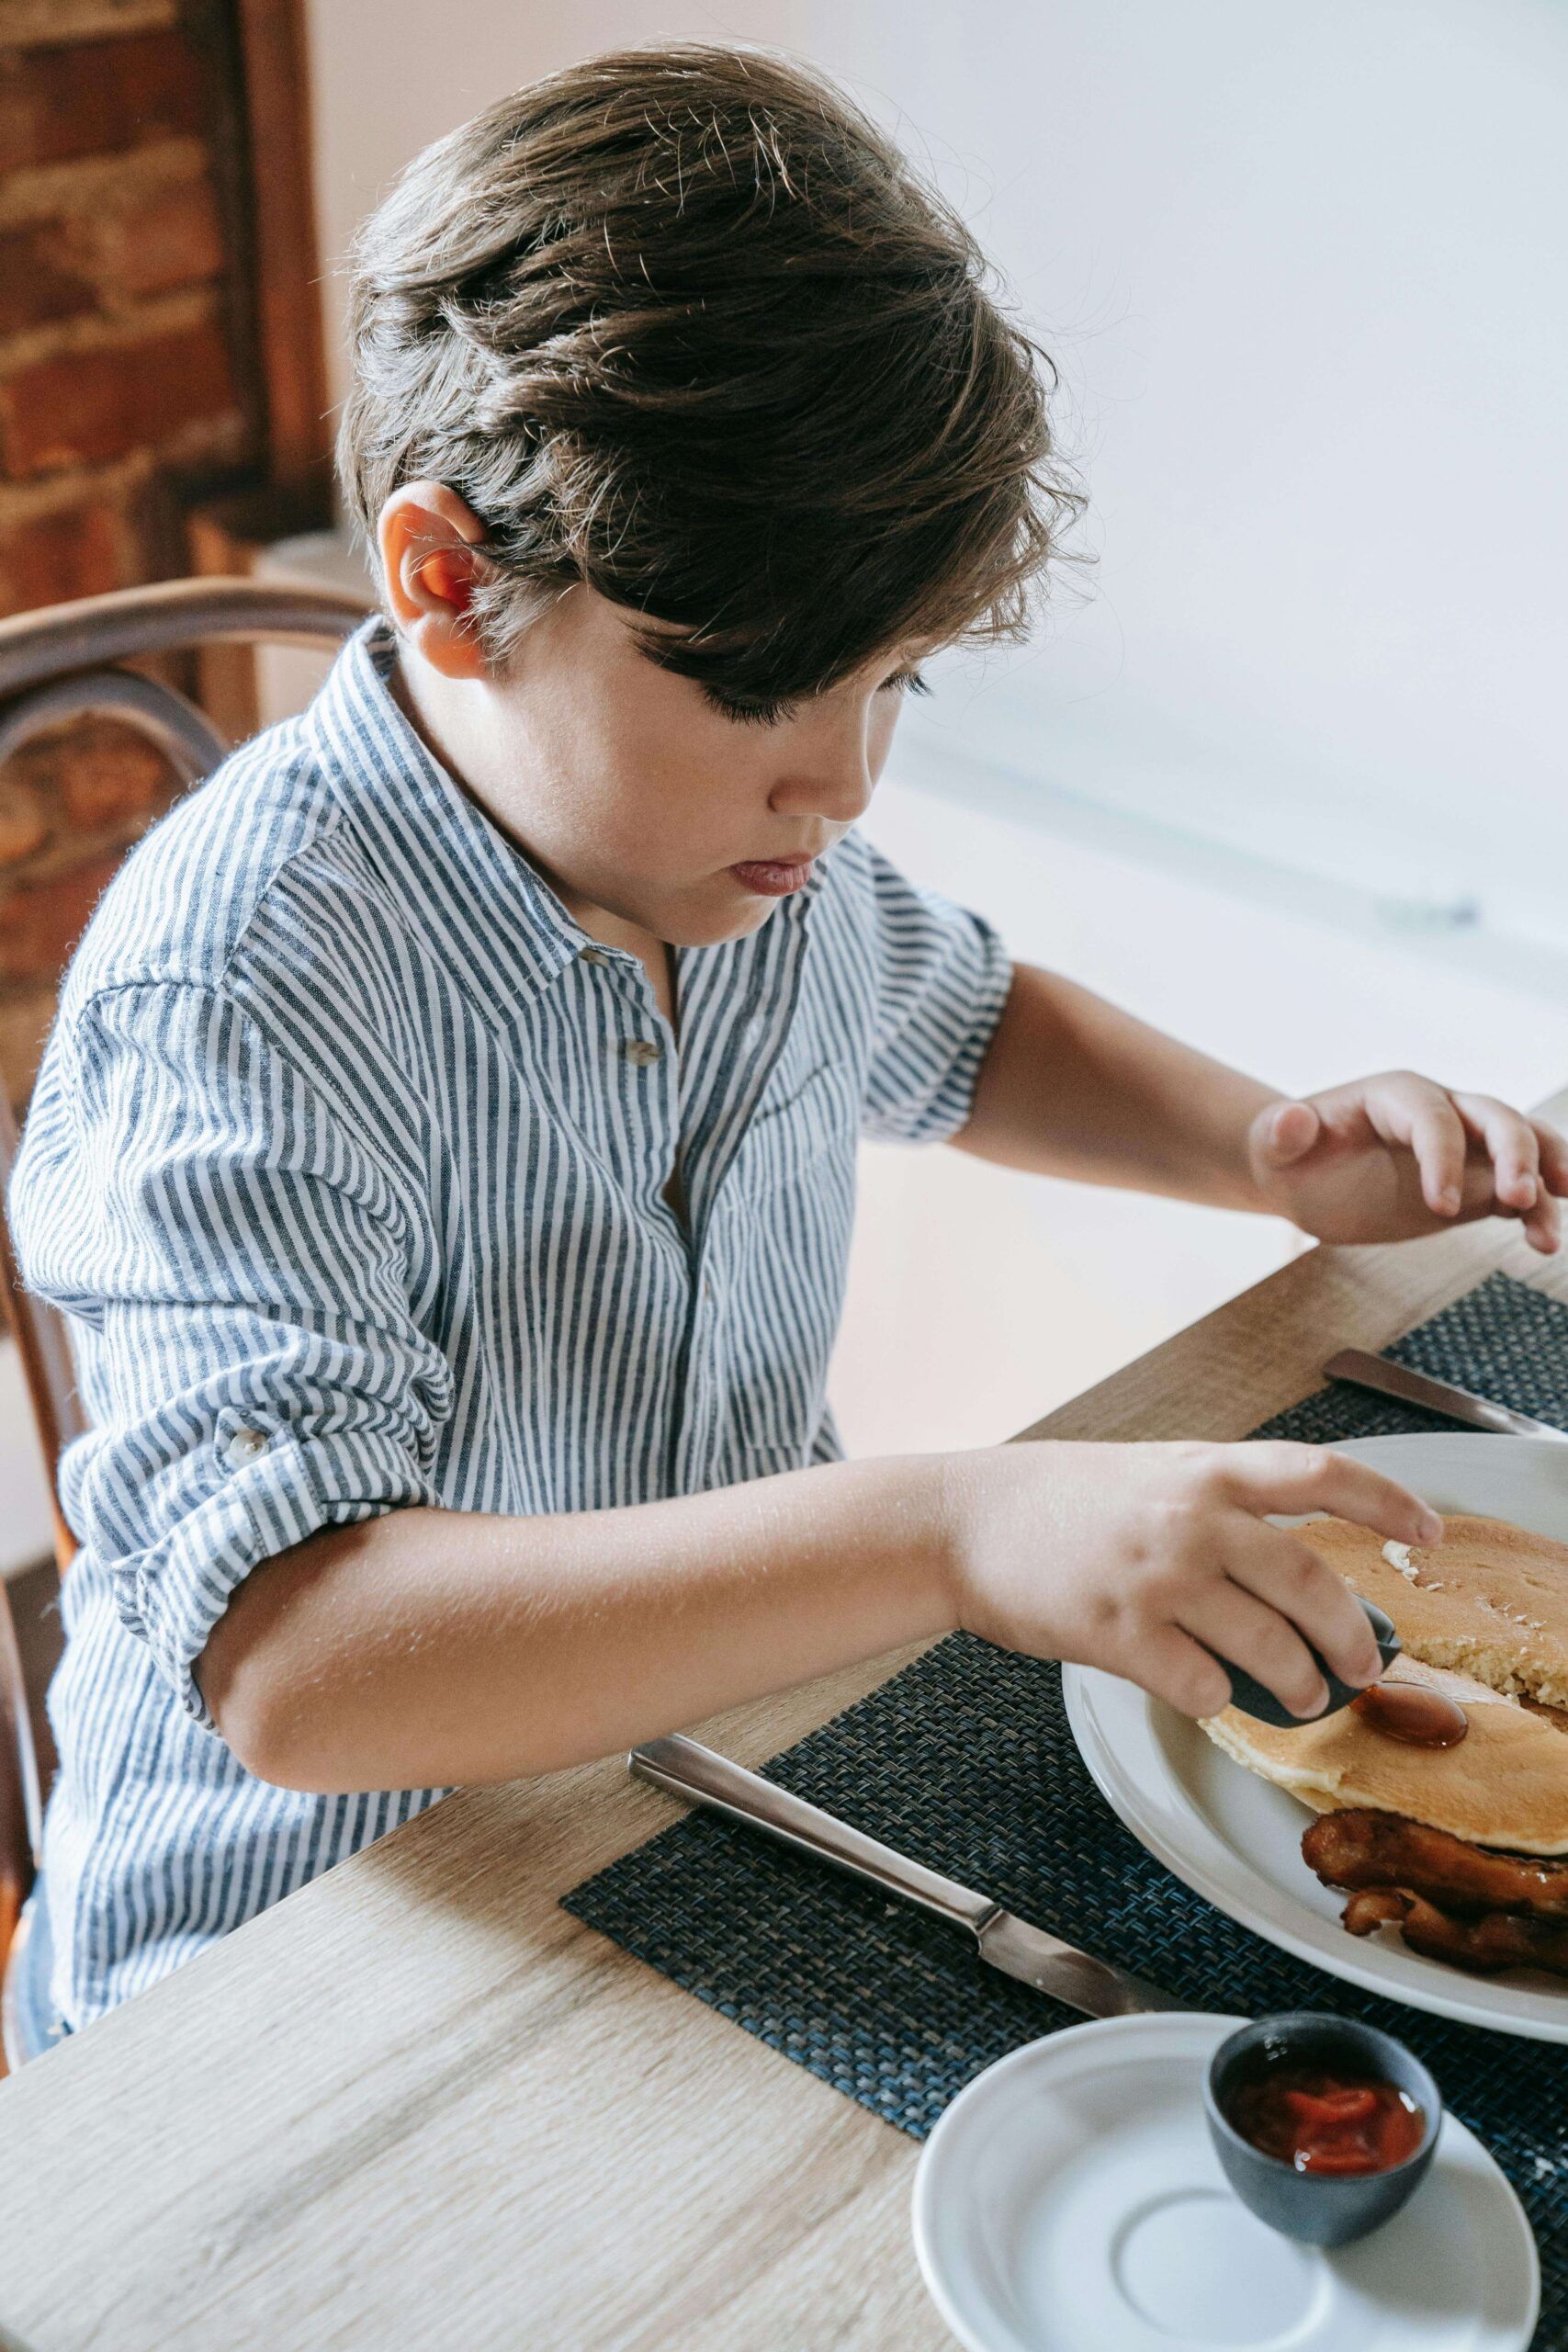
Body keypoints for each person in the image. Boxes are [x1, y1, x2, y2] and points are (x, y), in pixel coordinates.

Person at [9, 41, 1563, 2043]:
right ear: (448, 581)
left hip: (683, 1797)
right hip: (291, 1967)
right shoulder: (236, 997)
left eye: (889, 677)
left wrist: (1262, 1144)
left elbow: (971, 1020)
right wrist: (943, 1521)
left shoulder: (743, 863)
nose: (839, 778)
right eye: (758, 687)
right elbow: (305, 1663)